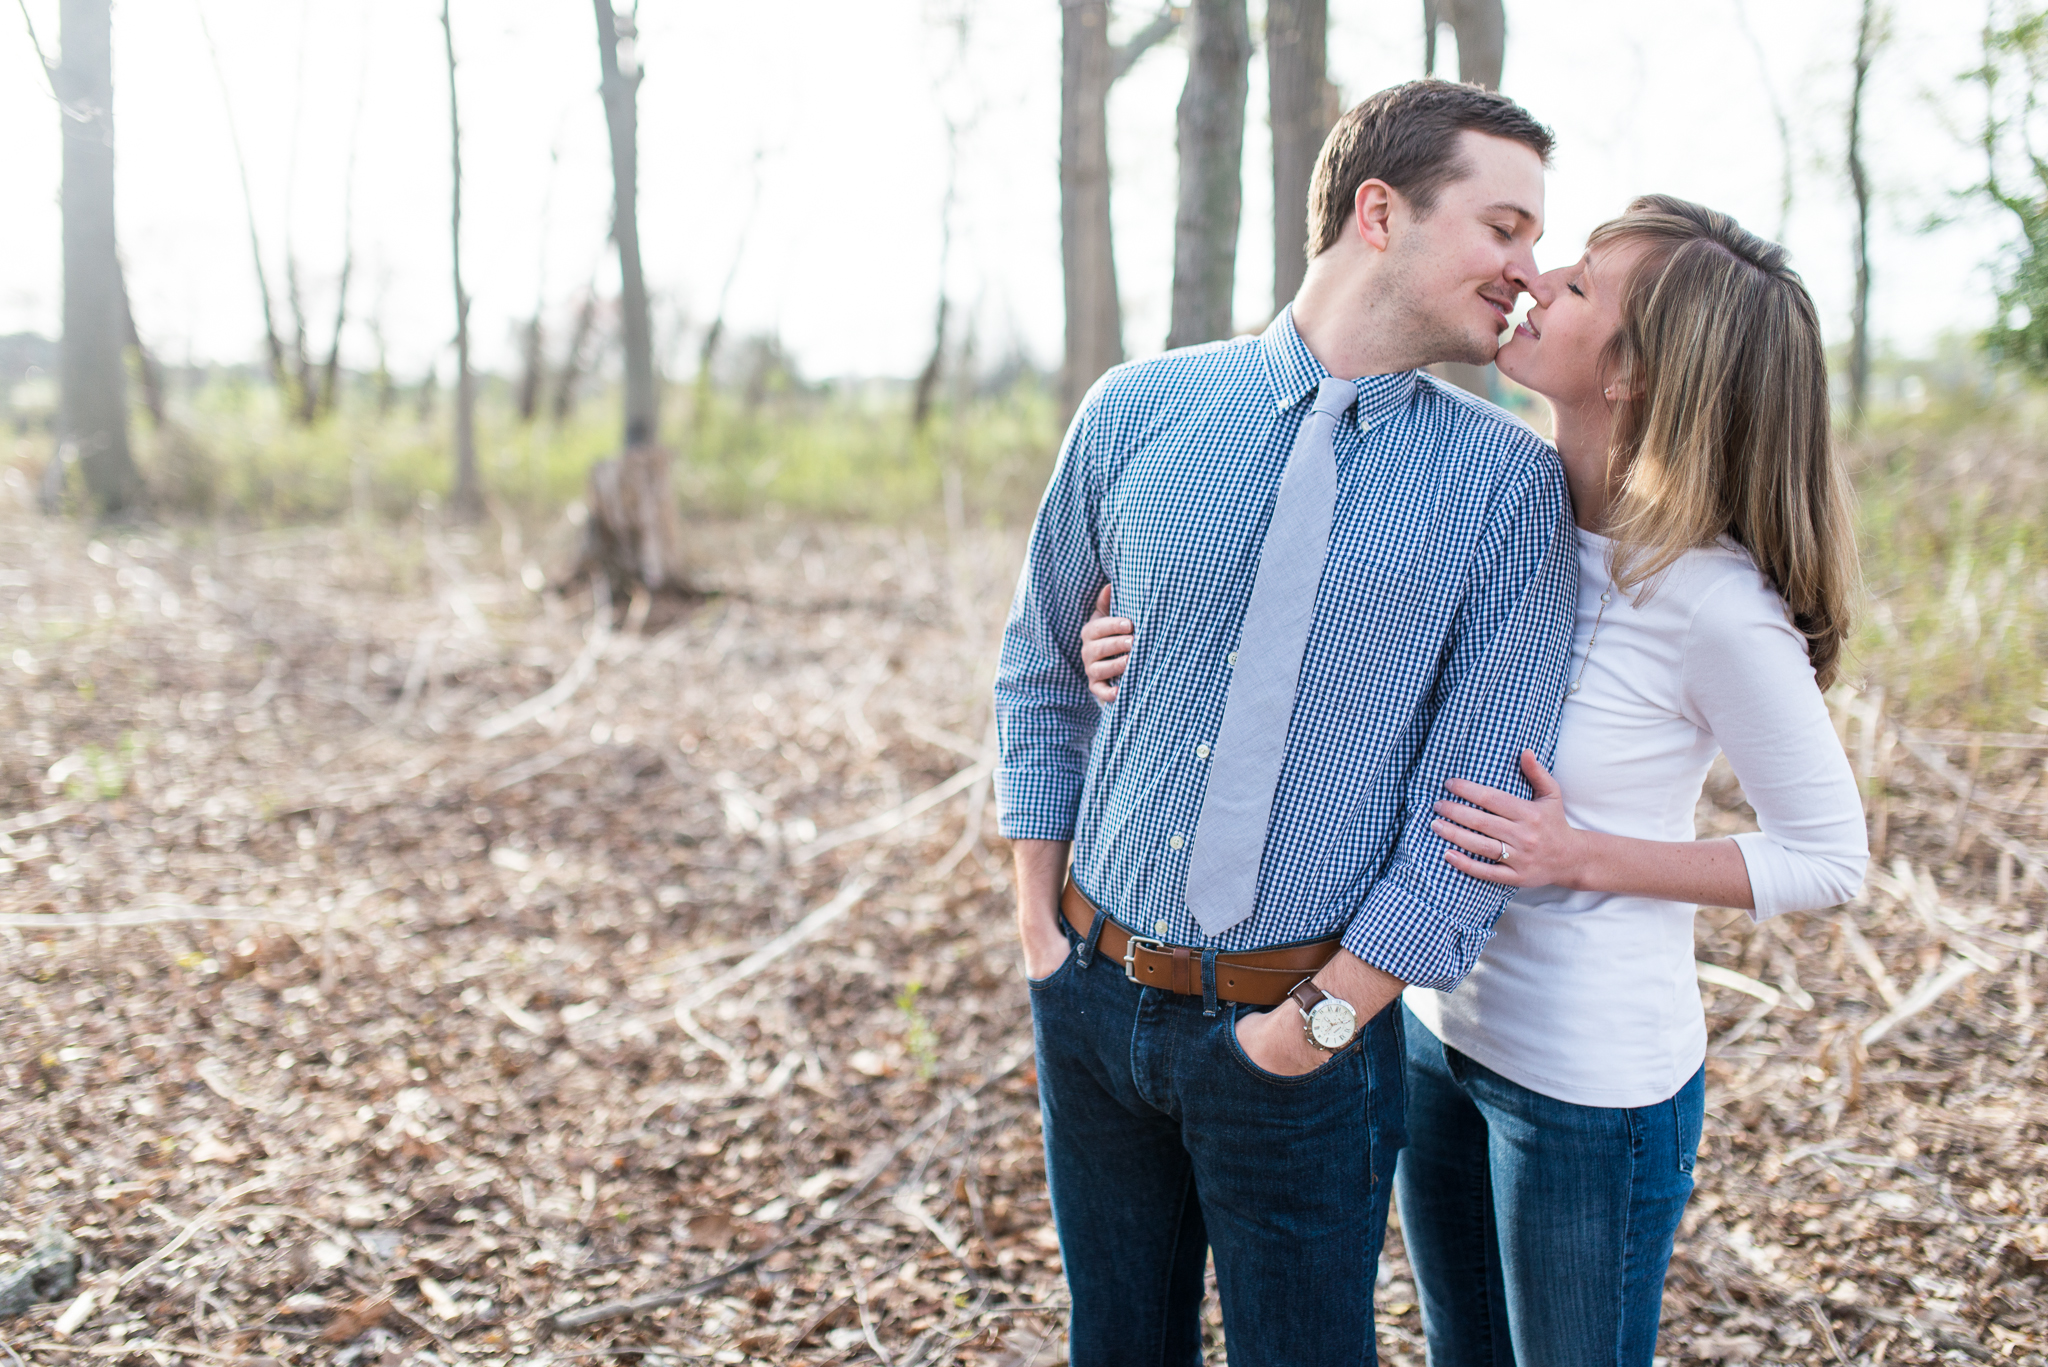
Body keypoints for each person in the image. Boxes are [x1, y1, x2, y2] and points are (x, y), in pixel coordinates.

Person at [1079, 196, 1869, 1365]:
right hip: (1432, 1030)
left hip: (1587, 1084)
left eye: (1582, 285)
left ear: (1638, 375)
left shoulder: (1709, 602)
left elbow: (1828, 856)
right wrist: (1139, 656)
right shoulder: (1501, 505)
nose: (1537, 280)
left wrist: (1581, 853)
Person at [993, 80, 1578, 1366]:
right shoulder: (1137, 409)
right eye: (1502, 227)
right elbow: (1038, 665)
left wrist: (1315, 1021)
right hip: (1090, 999)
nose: (1529, 273)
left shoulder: (1506, 485)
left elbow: (1475, 796)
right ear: (1380, 211)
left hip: (1304, 1035)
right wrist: (1039, 930)